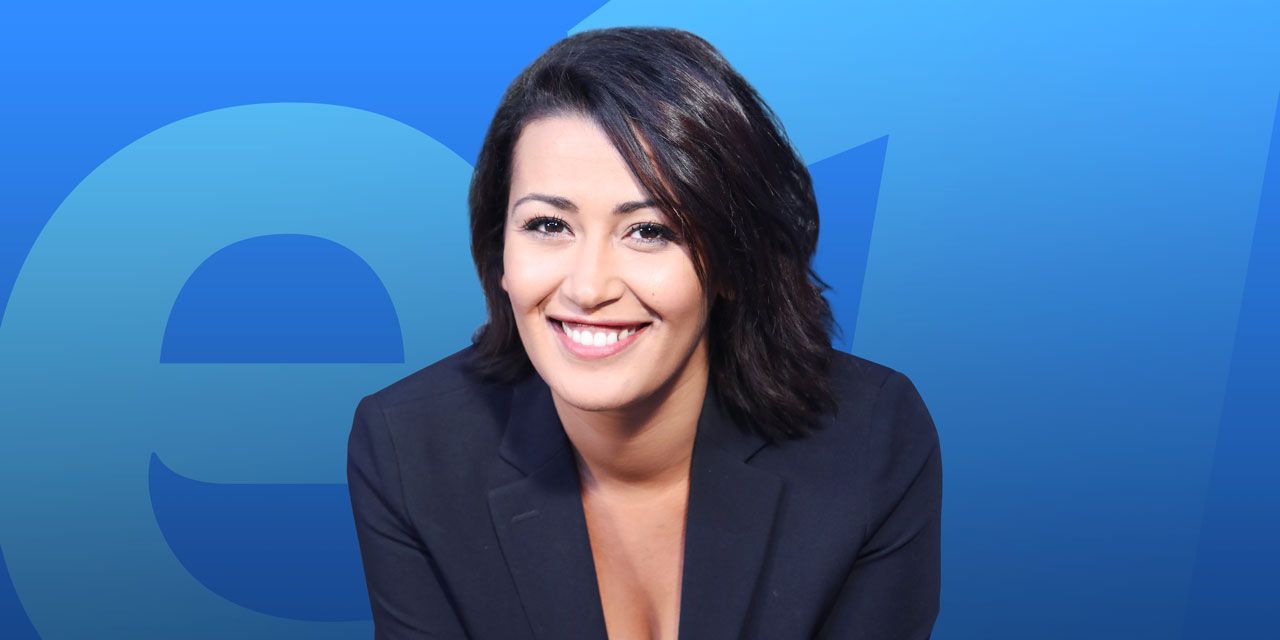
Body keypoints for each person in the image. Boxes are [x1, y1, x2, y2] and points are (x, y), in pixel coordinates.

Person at [347, 26, 941, 640]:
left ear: (732, 262)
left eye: (650, 231)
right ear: (501, 251)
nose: (588, 287)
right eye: (548, 225)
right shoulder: (408, 449)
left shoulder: (873, 439)